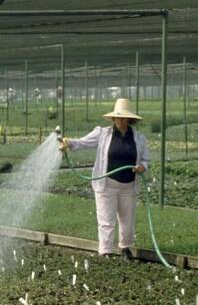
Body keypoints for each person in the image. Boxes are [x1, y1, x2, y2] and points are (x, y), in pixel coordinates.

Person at [59, 98, 149, 258]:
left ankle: (125, 248)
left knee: (128, 222)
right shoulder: (102, 133)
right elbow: (82, 143)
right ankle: (106, 251)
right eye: (118, 117)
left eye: (124, 117)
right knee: (106, 221)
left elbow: (145, 160)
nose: (121, 120)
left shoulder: (139, 138)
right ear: (113, 118)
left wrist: (142, 166)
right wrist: (69, 143)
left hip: (128, 186)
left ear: (130, 120)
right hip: (107, 185)